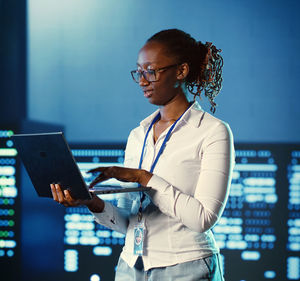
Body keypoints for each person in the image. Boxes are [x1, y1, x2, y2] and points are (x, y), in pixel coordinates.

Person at [50, 28, 234, 281]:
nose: (142, 81)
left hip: (186, 267)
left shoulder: (213, 131)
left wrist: (144, 178)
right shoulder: (138, 135)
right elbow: (128, 223)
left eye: (152, 71)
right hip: (130, 266)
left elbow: (203, 219)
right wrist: (90, 202)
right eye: (139, 72)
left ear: (181, 71)